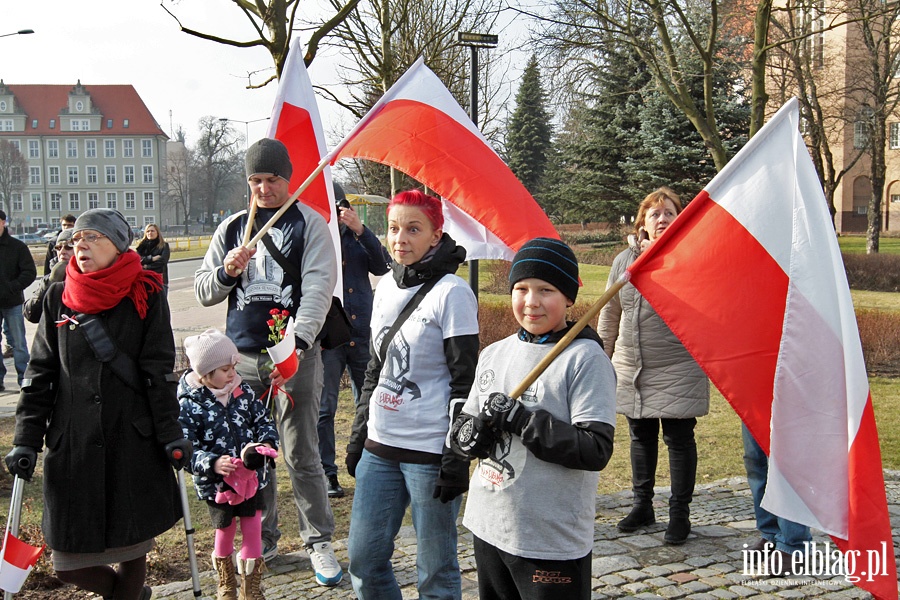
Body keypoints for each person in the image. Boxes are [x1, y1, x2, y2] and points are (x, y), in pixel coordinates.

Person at [4, 208, 191, 600]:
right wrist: (25, 438)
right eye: (76, 240)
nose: (81, 245)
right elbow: (39, 375)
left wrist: (171, 434)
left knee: (132, 547)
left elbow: (158, 371)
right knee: (68, 564)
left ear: (118, 244)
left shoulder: (147, 292)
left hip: (131, 442)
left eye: (92, 237)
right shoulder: (59, 296)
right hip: (73, 446)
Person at [194, 138, 341, 587]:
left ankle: (319, 542)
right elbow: (204, 290)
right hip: (238, 363)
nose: (263, 188)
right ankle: (266, 536)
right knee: (252, 454)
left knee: (300, 452)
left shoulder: (310, 225)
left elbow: (318, 288)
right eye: (255, 180)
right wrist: (227, 272)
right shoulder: (233, 227)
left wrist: (294, 345)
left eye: (271, 179)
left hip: (294, 355)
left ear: (287, 178)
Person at [450, 238, 616, 600]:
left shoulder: (585, 360)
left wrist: (524, 421)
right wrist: (467, 435)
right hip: (489, 523)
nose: (531, 301)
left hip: (548, 537)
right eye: (521, 289)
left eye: (546, 290)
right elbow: (466, 420)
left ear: (569, 298)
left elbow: (595, 449)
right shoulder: (494, 353)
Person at [345, 189, 479, 600]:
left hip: (429, 454)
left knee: (435, 572)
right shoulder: (384, 285)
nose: (400, 238)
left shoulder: (452, 293)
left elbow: (464, 383)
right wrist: (358, 432)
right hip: (379, 448)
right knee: (364, 563)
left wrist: (455, 457)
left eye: (413, 230)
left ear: (436, 236)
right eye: (394, 228)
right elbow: (374, 367)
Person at [598, 186, 709, 545]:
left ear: (680, 219)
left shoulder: (690, 257)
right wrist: (603, 354)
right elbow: (610, 311)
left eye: (669, 213)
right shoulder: (623, 260)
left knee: (678, 439)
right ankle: (642, 506)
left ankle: (680, 514)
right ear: (642, 221)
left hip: (678, 364)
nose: (662, 219)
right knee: (639, 436)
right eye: (655, 213)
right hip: (632, 364)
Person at [178, 328, 280, 600]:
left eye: (233, 366)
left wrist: (268, 443)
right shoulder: (190, 405)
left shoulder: (242, 390)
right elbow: (187, 449)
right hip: (218, 485)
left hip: (250, 478)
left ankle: (251, 588)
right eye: (224, 369)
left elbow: (263, 421)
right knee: (225, 531)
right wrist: (212, 463)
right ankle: (226, 583)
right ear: (205, 374)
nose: (232, 374)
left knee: (253, 526)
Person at [318, 183, 391, 498]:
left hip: (362, 331)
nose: (336, 213)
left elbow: (382, 265)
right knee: (325, 409)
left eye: (339, 206)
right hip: (328, 335)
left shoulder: (358, 234)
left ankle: (369, 466)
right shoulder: (315, 236)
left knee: (371, 402)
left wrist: (360, 229)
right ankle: (327, 473)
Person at [742, 424, 811, 574]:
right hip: (756, 400)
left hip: (791, 401)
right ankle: (771, 532)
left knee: (786, 461)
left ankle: (793, 544)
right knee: (755, 458)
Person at [0, 208, 36, 392]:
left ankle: (24, 378)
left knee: (18, 343)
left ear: (3, 223)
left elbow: (30, 272)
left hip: (12, 301)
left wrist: (13, 286)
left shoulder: (17, 247)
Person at [24, 228, 75, 324]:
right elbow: (31, 314)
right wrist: (51, 281)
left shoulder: (90, 275)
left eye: (69, 246)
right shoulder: (49, 278)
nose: (62, 251)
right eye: (58, 247)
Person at [136, 223, 171, 293]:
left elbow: (162, 261)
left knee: (161, 303)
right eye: (148, 231)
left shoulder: (164, 246)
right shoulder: (141, 246)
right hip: (144, 280)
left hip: (160, 280)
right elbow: (138, 260)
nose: (150, 233)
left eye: (152, 231)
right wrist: (151, 259)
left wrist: (147, 266)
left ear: (157, 232)